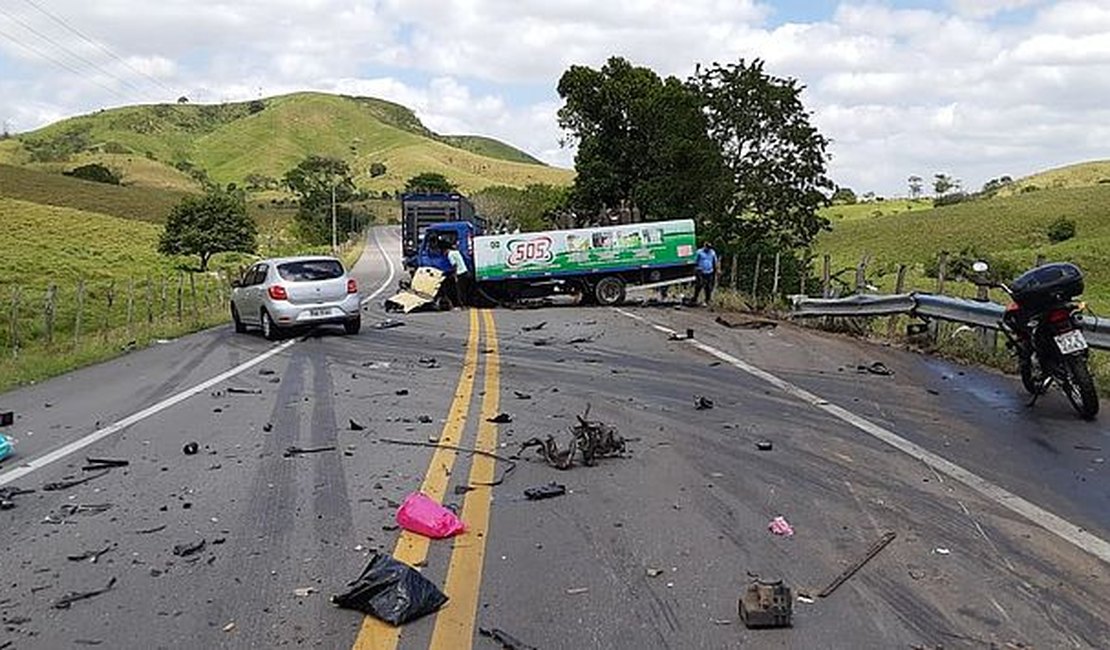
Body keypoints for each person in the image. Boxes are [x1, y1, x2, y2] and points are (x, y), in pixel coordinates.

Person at [691, 242, 719, 306]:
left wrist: (717, 269)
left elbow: (715, 261)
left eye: (709, 248)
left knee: (708, 286)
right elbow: (695, 261)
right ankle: (695, 298)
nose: (708, 249)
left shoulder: (712, 252)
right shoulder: (699, 252)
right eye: (707, 247)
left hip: (709, 271)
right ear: (704, 246)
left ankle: (707, 300)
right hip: (700, 271)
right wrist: (695, 269)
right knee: (699, 284)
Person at [446, 241, 471, 307]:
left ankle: (462, 305)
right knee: (465, 290)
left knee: (460, 291)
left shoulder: (450, 255)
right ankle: (466, 304)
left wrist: (455, 275)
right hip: (465, 271)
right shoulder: (456, 252)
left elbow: (454, 265)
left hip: (460, 273)